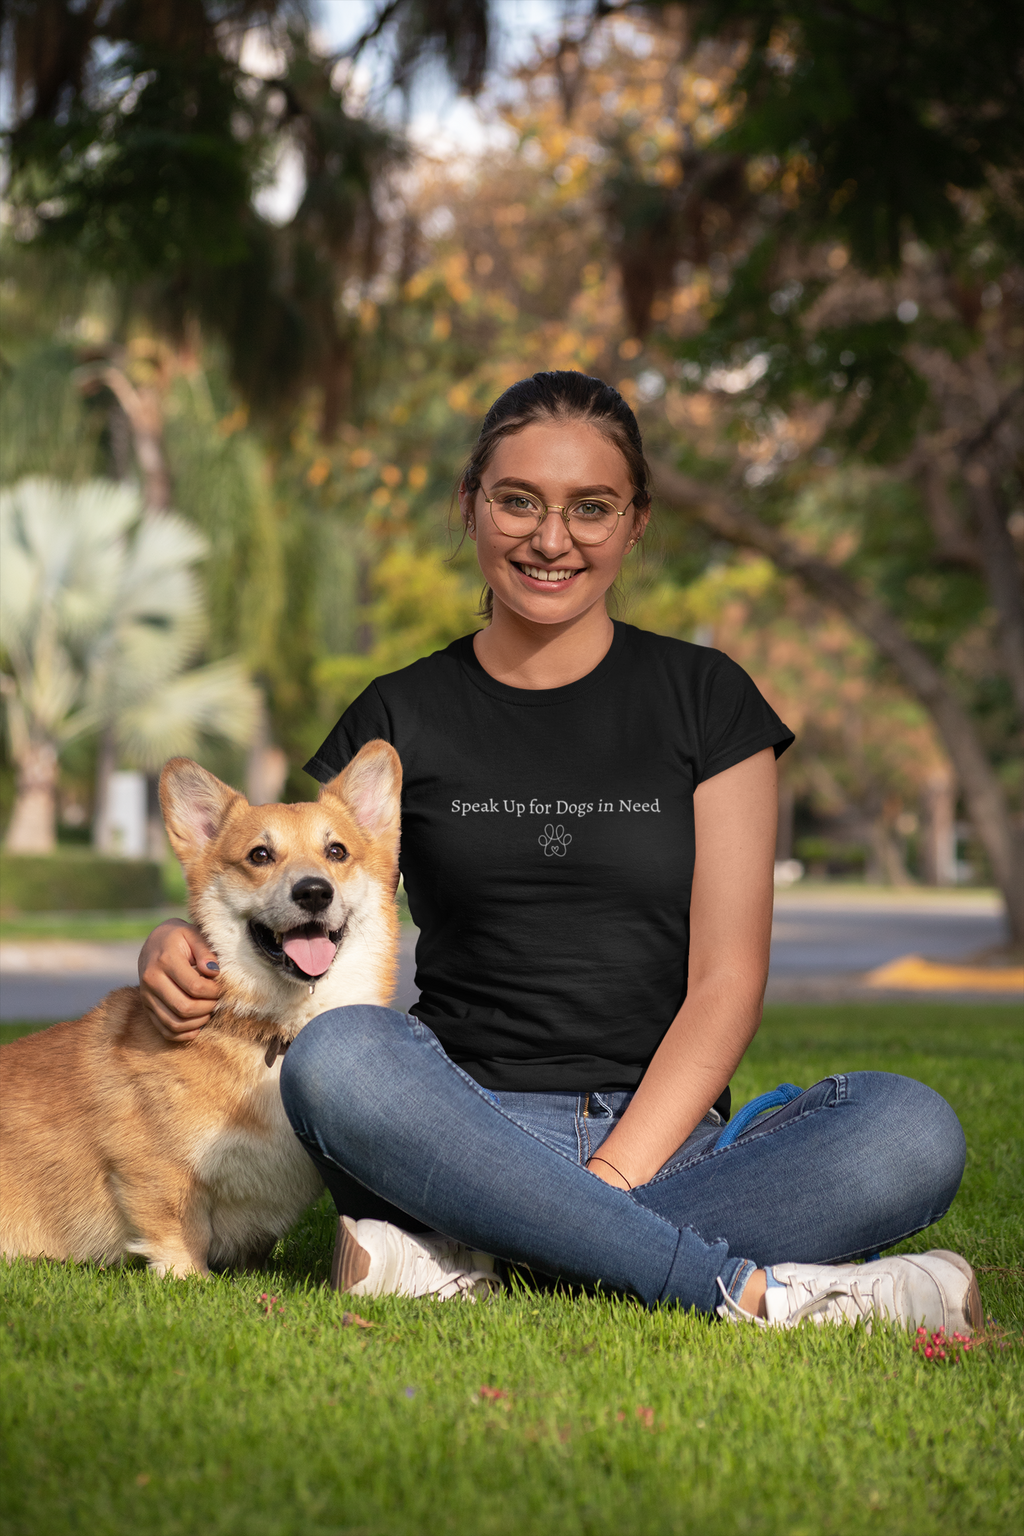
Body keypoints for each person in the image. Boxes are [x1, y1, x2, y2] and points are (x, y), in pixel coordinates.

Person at [139, 371, 980, 1331]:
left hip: (668, 1137)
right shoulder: (399, 711)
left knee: (911, 1131)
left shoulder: (709, 701)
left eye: (591, 508)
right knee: (335, 1058)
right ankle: (760, 1294)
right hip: (444, 1124)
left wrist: (611, 1180)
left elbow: (727, 986)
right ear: (470, 507)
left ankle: (482, 1256)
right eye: (517, 501)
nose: (551, 539)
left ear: (636, 521)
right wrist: (168, 941)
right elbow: (287, 875)